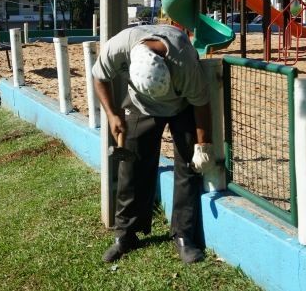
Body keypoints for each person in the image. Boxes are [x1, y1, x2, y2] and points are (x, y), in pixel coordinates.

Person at [92, 24, 216, 264]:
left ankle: (183, 236)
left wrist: (204, 145)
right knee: (131, 166)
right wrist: (111, 114)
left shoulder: (185, 62)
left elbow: (201, 103)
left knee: (188, 168)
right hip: (141, 105)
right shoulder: (117, 48)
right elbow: (99, 78)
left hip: (183, 104)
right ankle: (125, 235)